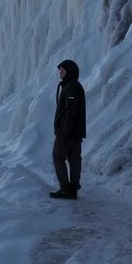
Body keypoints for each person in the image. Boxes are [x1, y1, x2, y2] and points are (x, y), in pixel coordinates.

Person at [50, 59, 86, 200]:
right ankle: (73, 189)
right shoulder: (73, 86)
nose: (60, 72)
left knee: (58, 157)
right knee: (74, 159)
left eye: (62, 70)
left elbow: (71, 112)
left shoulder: (71, 87)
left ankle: (66, 188)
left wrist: (64, 132)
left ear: (69, 72)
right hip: (75, 132)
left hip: (67, 132)